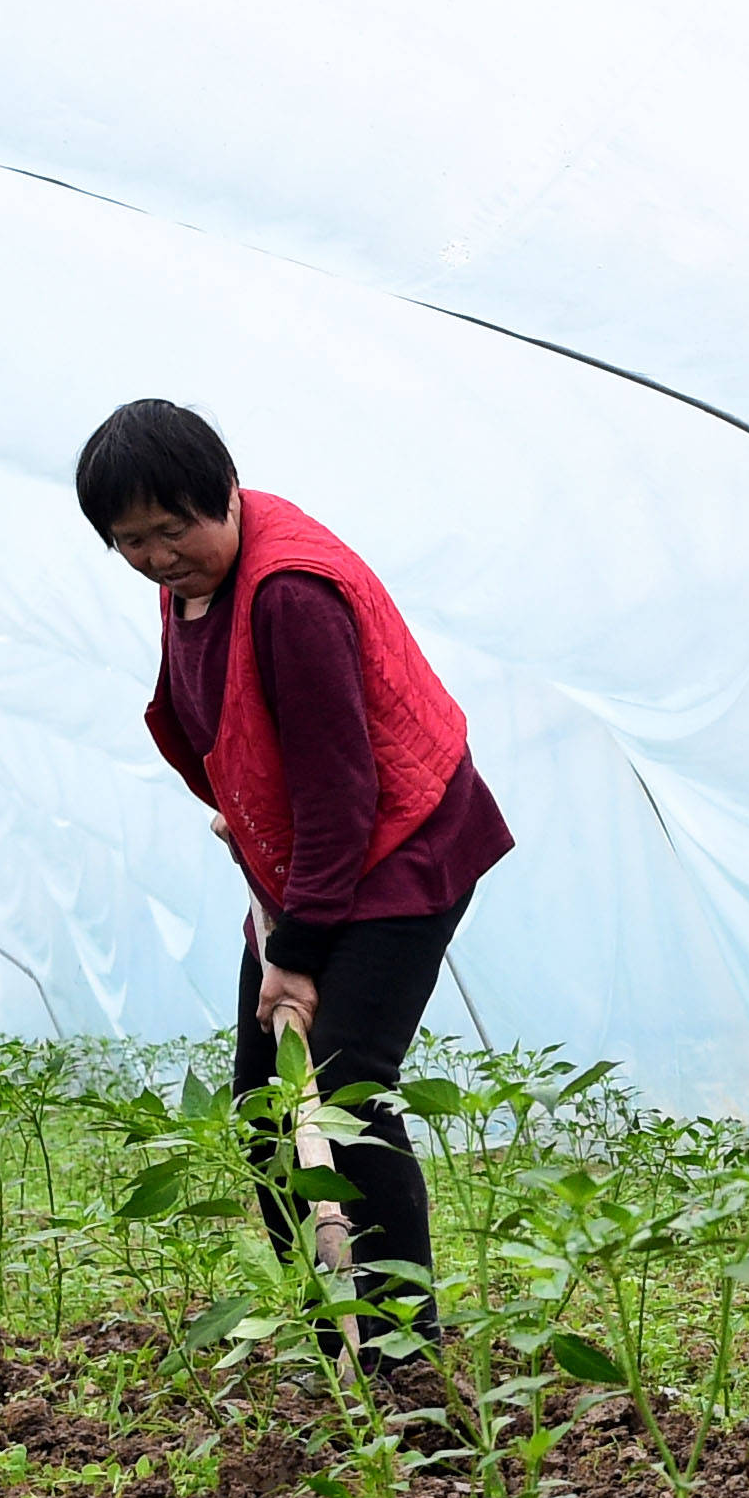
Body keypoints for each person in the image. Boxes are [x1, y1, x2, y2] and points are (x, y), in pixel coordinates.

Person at [78, 400, 513, 1331]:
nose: (157, 556)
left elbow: (341, 789)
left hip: (398, 848)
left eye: (173, 528)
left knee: (343, 1089)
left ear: (224, 494)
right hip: (308, 860)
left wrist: (301, 949)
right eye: (131, 540)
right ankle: (328, 1320)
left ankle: (401, 1342)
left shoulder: (290, 595)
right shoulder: (193, 579)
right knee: (267, 1106)